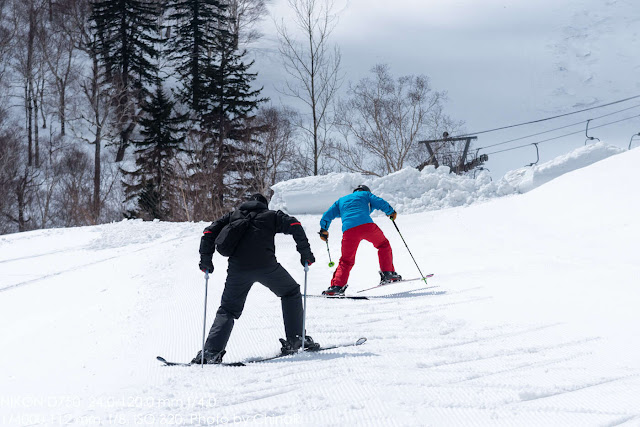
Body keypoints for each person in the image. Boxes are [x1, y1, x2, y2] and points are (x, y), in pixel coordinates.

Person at [193, 193, 318, 364]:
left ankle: (210, 352)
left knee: (228, 309)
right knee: (290, 292)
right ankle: (296, 339)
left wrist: (206, 261)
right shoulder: (271, 215)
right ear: (264, 205)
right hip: (267, 266)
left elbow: (208, 232)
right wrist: (305, 254)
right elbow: (295, 224)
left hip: (238, 270)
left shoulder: (232, 216)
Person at [319, 185, 401, 296]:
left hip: (349, 231)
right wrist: (390, 211)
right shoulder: (365, 195)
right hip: (367, 226)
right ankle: (388, 273)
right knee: (383, 245)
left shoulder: (341, 201)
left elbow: (327, 215)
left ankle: (336, 287)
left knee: (346, 260)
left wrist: (324, 229)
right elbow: (379, 202)